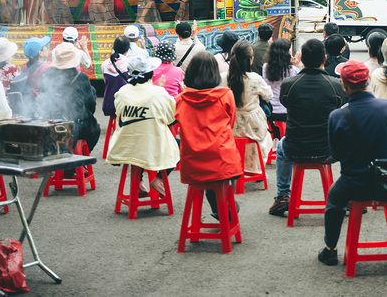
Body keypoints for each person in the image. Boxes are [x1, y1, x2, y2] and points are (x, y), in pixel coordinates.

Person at [320, 60, 387, 268]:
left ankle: (330, 250)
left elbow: (336, 154)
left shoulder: (337, 116)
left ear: (344, 86)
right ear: (367, 81)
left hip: (354, 185)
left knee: (334, 200)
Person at [267, 38, 345, 216]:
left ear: (301, 59)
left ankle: (282, 196)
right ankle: (344, 196)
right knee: (350, 143)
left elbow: (285, 103)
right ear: (324, 59)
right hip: (328, 150)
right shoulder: (335, 85)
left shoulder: (289, 84)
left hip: (295, 147)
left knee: (280, 148)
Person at [174, 51, 242, 221]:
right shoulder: (226, 95)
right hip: (223, 161)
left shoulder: (180, 100)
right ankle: (227, 206)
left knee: (207, 176)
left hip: (194, 164)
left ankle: (222, 209)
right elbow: (230, 123)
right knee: (222, 167)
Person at [106, 54, 180, 199]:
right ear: (150, 74)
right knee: (180, 145)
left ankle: (138, 182)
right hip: (151, 146)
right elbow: (172, 118)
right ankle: (159, 179)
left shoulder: (121, 92)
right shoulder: (159, 93)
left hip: (123, 146)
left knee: (138, 135)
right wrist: (160, 89)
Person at [37, 42, 100, 152]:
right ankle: (80, 160)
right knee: (95, 129)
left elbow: (41, 101)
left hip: (50, 122)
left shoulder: (46, 76)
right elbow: (91, 105)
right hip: (76, 126)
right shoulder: (81, 77)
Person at [223, 39, 273, 175]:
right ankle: (256, 169)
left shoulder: (224, 78)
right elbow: (269, 96)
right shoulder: (255, 78)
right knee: (266, 138)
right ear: (250, 59)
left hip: (231, 126)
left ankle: (240, 166)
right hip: (253, 125)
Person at [7, 35, 51, 116]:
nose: (47, 48)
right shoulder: (45, 68)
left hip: (29, 106)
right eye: (44, 46)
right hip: (39, 108)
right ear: (40, 53)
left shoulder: (25, 66)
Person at [262, 38, 298, 123]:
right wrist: (295, 65)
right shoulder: (293, 70)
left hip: (269, 110)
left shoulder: (265, 67)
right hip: (286, 111)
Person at [101, 37, 132, 123]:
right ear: (127, 50)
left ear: (113, 48)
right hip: (126, 105)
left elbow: (106, 82)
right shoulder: (130, 63)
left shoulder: (104, 64)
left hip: (109, 105)